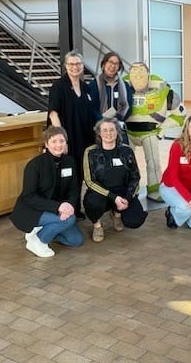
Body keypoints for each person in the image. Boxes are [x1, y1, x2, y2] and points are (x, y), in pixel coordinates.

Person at [10, 126, 84, 257]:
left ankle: (47, 229)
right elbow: (29, 197)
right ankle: (39, 239)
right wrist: (58, 207)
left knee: (76, 241)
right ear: (46, 144)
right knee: (69, 220)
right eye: (54, 141)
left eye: (61, 141)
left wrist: (69, 205)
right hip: (33, 210)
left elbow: (74, 189)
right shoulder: (35, 165)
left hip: (60, 208)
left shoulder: (70, 161)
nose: (58, 145)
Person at [48, 50, 100, 219]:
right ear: (65, 66)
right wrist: (62, 140)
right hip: (68, 139)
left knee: (82, 173)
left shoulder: (86, 88)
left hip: (84, 138)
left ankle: (77, 209)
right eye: (71, 64)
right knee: (69, 175)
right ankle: (66, 210)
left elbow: (92, 113)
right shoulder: (58, 86)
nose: (75, 67)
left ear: (82, 66)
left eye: (78, 64)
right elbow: (53, 114)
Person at [125, 62, 185, 201]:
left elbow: (180, 114)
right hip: (127, 132)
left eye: (141, 71)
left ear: (148, 74)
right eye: (134, 72)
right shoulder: (120, 88)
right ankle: (129, 189)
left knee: (153, 163)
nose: (138, 75)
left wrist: (163, 127)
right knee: (125, 163)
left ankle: (154, 189)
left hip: (150, 132)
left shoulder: (164, 91)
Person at [82, 118, 147, 242]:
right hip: (100, 193)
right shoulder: (91, 152)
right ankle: (97, 225)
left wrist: (127, 198)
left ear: (117, 132)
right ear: (99, 134)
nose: (108, 133)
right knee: (93, 204)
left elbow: (135, 177)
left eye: (112, 130)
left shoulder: (126, 151)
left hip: (122, 192)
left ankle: (116, 214)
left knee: (135, 220)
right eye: (104, 130)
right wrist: (113, 197)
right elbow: (89, 181)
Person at [159, 116, 191, 230]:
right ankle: (173, 212)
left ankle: (182, 210)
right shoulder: (177, 146)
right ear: (187, 129)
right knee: (187, 208)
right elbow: (173, 178)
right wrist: (189, 199)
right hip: (170, 187)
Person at [89, 51, 131, 142]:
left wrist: (115, 120)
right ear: (104, 64)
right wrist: (102, 119)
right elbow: (90, 107)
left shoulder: (125, 85)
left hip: (119, 127)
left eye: (116, 63)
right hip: (99, 127)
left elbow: (128, 106)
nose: (113, 66)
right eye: (110, 62)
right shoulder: (94, 84)